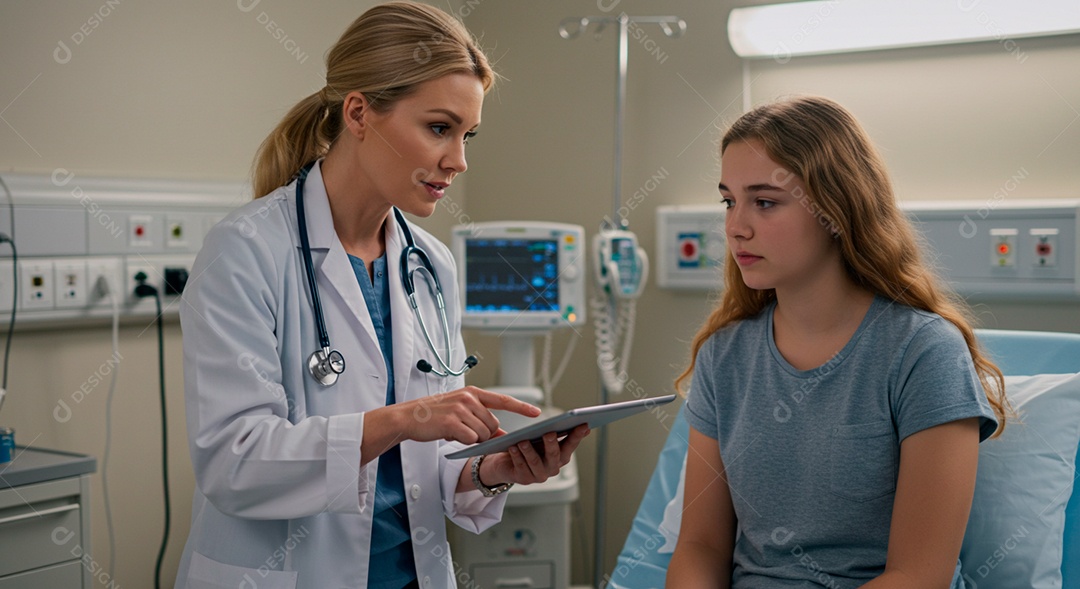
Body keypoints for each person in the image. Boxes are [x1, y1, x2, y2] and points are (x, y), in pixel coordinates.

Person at [175, 3, 588, 588]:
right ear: (359, 112)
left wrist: (496, 469)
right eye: (439, 128)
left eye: (467, 135)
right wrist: (404, 419)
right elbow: (234, 462)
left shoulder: (429, 265)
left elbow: (423, 472)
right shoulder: (244, 252)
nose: (459, 160)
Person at [666, 96, 1010, 589]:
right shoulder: (725, 355)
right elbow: (701, 546)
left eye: (764, 202)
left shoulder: (923, 353)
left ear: (833, 208)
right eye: (729, 200)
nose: (735, 226)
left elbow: (918, 576)